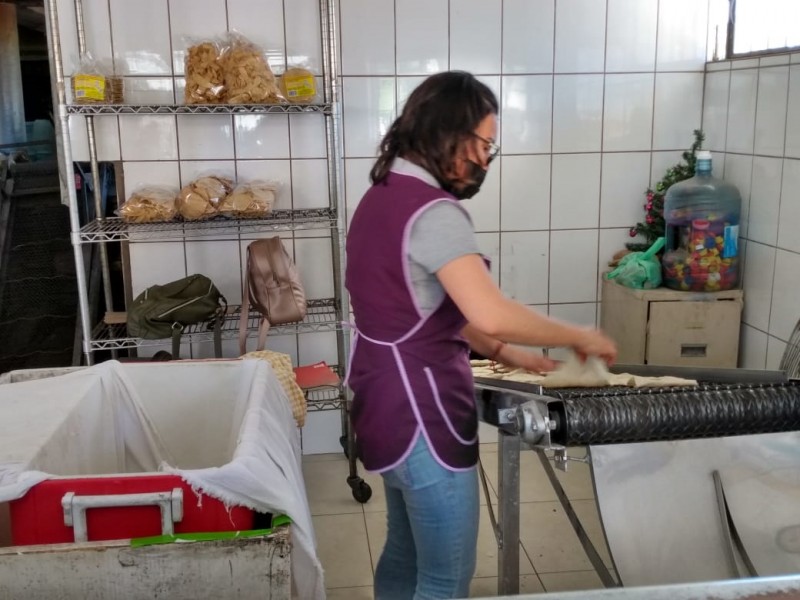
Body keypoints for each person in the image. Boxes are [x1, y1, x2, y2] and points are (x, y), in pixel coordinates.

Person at [344, 71, 618, 600]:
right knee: (445, 575)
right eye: (484, 144)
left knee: (404, 552)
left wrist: (506, 354)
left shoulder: (381, 196)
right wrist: (577, 336)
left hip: (381, 399)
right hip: (423, 413)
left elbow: (418, 303)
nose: (485, 159)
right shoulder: (434, 213)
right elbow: (488, 310)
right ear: (449, 131)